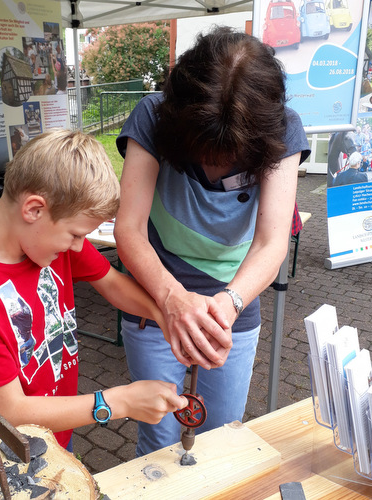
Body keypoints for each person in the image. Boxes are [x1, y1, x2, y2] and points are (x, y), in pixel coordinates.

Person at [114, 26, 311, 456]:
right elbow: (128, 230)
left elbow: (271, 243)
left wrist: (227, 304)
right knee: (159, 438)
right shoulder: (153, 114)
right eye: (201, 149)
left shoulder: (281, 129)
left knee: (223, 437)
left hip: (234, 303)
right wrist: (172, 299)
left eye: (229, 155)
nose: (211, 165)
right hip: (152, 299)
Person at [0, 128, 187, 451]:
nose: (80, 246)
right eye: (76, 234)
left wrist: (164, 316)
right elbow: (10, 410)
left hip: (54, 437)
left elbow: (110, 282)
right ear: (34, 209)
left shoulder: (47, 238)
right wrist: (117, 401)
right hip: (6, 459)